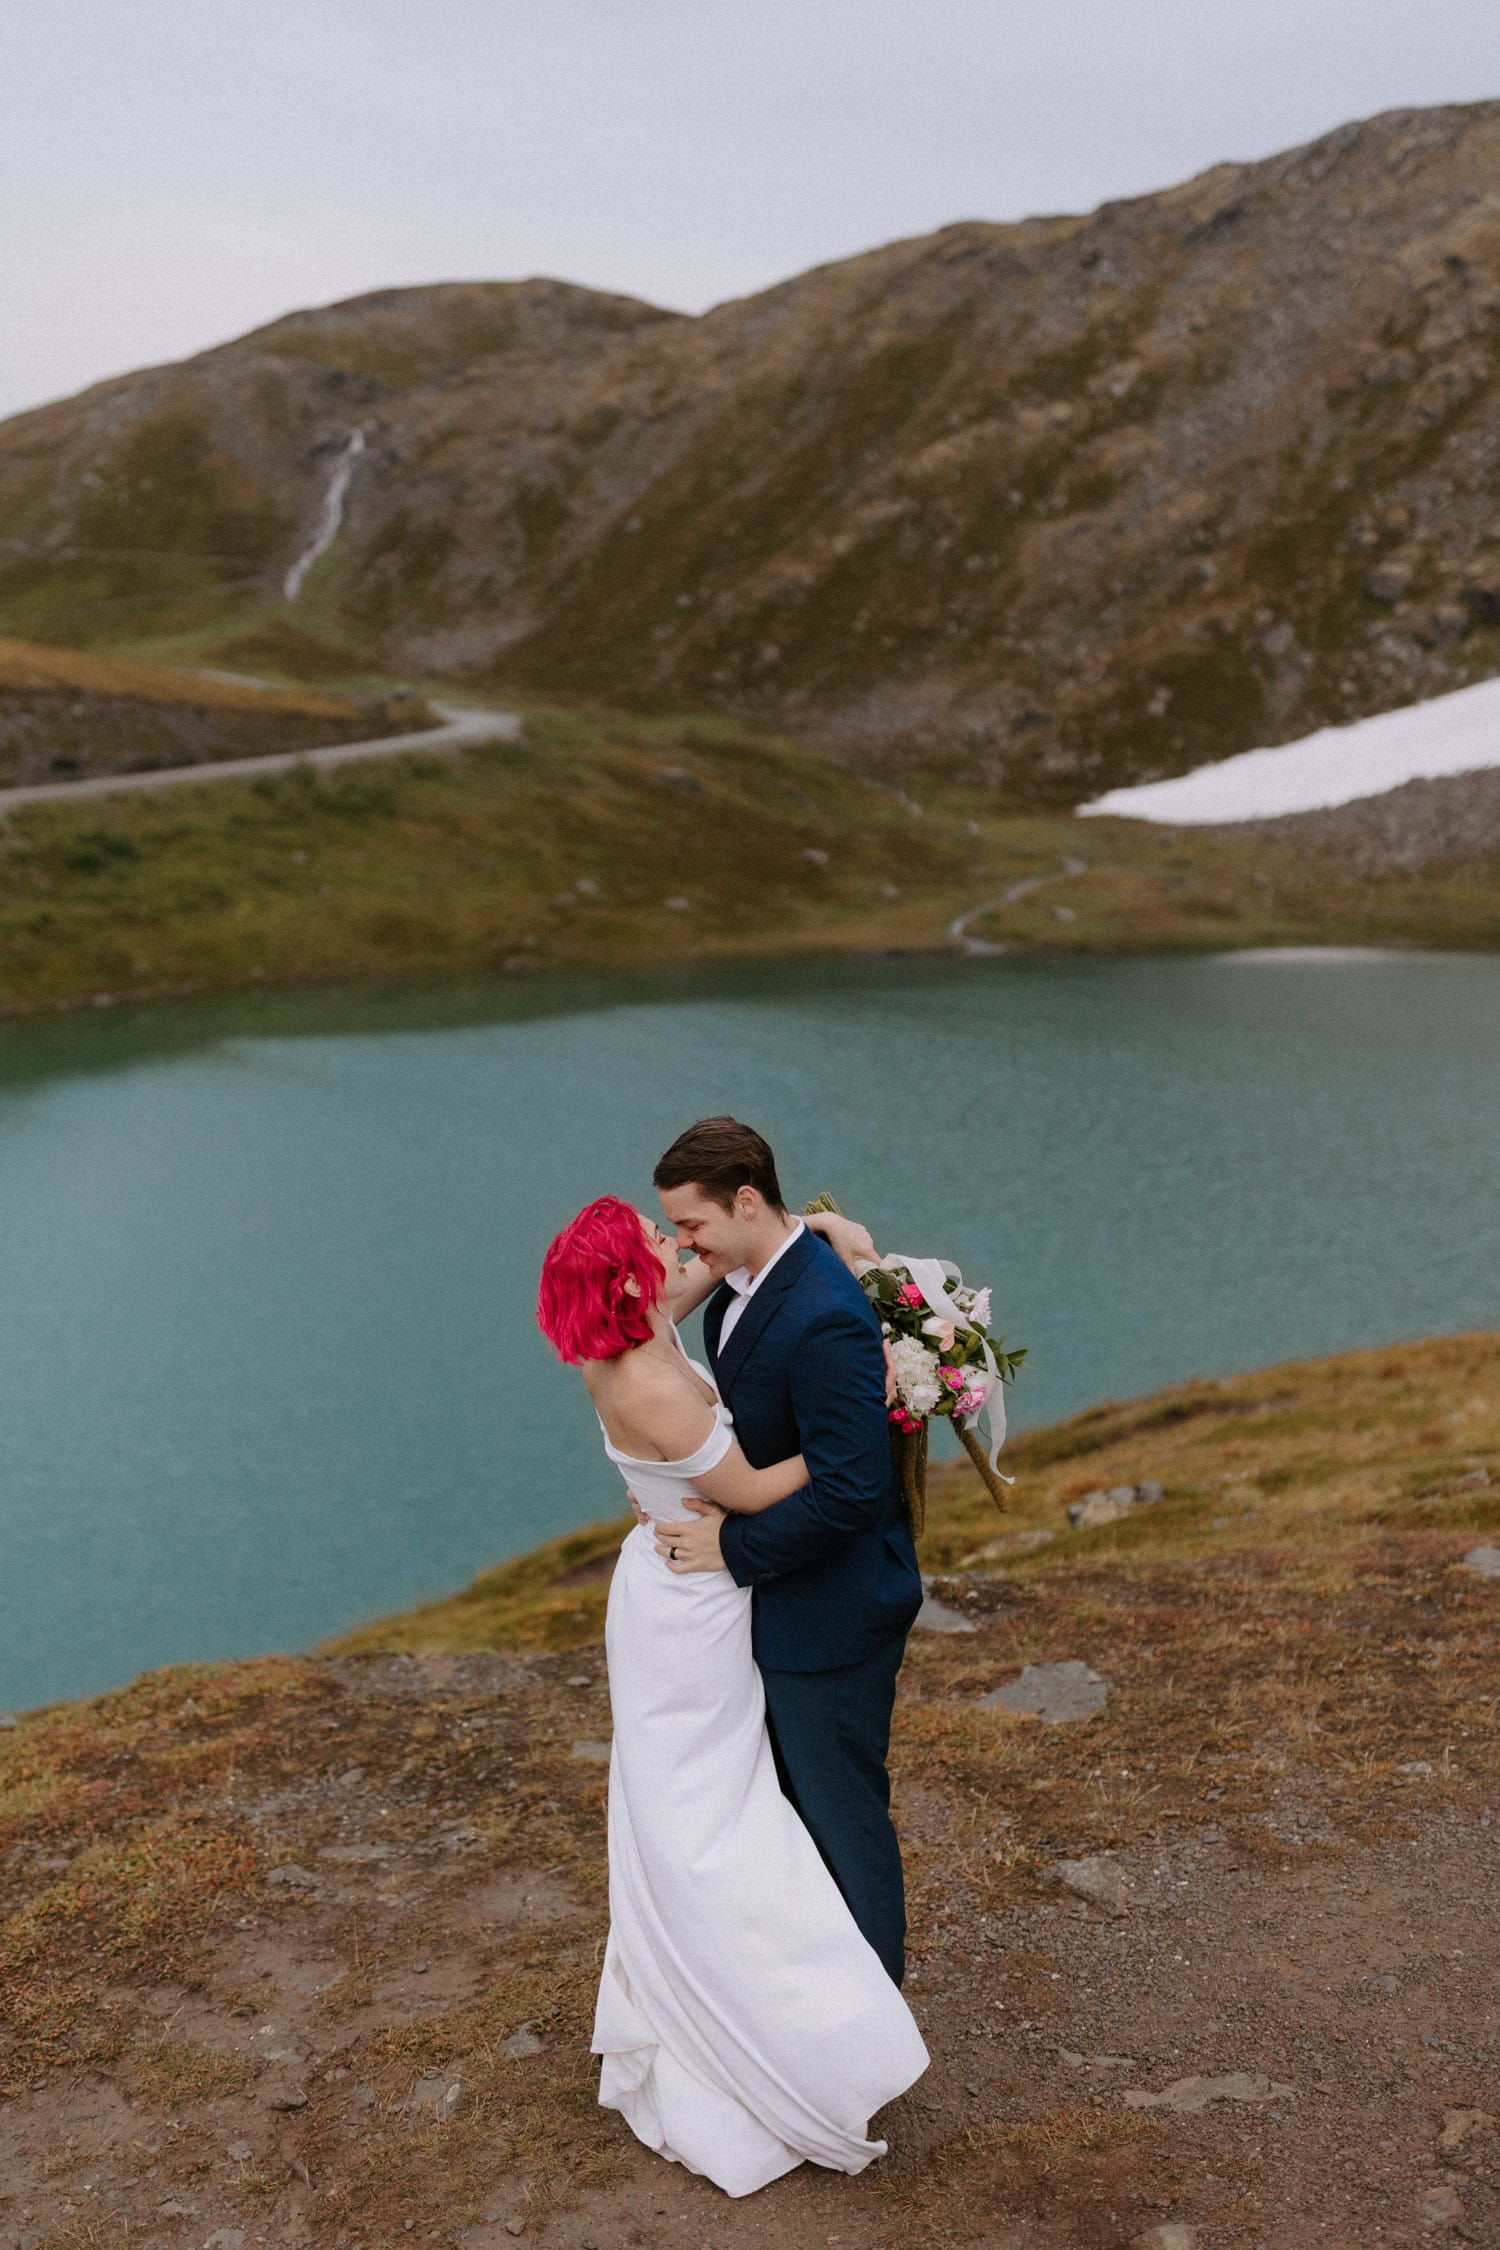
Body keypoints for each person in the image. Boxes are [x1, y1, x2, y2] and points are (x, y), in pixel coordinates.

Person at [536, 1192, 927, 2198]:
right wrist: (871, 1418)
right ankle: (772, 2023)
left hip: (676, 1578)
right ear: (626, 1277)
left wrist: (834, 1238)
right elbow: (754, 1492)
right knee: (713, 1814)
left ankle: (746, 2002)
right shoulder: (652, 1387)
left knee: (706, 1799)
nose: (676, 1250)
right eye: (654, 1244)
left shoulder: (626, 1327)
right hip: (693, 1603)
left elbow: (729, 1261)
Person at [650, 1117, 924, 1988]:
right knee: (794, 1822)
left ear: (743, 1201)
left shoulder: (823, 1317)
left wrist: (731, 1547)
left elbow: (851, 1493)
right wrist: (830, 1229)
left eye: (690, 1226)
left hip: (836, 1614)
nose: (684, 1246)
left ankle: (873, 2029)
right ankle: (819, 2017)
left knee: (844, 1825)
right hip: (785, 1608)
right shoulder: (747, 1275)